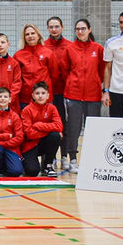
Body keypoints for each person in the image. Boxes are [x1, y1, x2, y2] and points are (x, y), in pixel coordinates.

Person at [63, 18, 103, 174]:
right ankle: (73, 159)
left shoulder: (98, 49)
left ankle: (93, 159)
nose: (80, 31)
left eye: (83, 28)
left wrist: (101, 88)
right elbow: (66, 70)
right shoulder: (70, 48)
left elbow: (101, 70)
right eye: (78, 29)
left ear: (89, 30)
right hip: (73, 95)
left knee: (93, 129)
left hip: (93, 96)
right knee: (74, 128)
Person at [44, 16, 74, 169]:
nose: (54, 29)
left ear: (62, 27)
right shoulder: (43, 46)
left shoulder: (70, 46)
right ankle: (52, 157)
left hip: (66, 92)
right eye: (51, 27)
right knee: (50, 125)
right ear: (48, 28)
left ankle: (64, 156)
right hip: (48, 94)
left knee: (64, 125)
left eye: (57, 26)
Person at [20, 82, 62, 177]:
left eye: (43, 93)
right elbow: (29, 134)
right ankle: (24, 162)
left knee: (55, 136)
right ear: (33, 96)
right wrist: (48, 130)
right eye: (37, 93)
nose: (40, 96)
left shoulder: (52, 108)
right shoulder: (26, 110)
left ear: (48, 95)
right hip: (30, 145)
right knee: (32, 172)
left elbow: (59, 126)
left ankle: (47, 165)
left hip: (44, 143)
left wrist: (38, 125)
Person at [0, 87, 24, 177]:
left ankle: (12, 163)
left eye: (5, 97)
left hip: (12, 148)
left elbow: (19, 137)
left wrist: (1, 142)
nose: (2, 99)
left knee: (16, 172)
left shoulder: (15, 116)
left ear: (10, 99)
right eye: (0, 96)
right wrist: (6, 136)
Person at [14, 24, 52, 108]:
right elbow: (17, 78)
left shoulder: (48, 53)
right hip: (25, 98)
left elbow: (54, 74)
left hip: (44, 98)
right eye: (27, 34)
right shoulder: (18, 55)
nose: (30, 36)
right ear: (24, 38)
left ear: (38, 35)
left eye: (33, 33)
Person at [0, 33, 22, 112]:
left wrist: (8, 100)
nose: (0, 45)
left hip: (11, 105)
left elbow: (17, 83)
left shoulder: (14, 63)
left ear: (8, 44)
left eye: (3, 42)